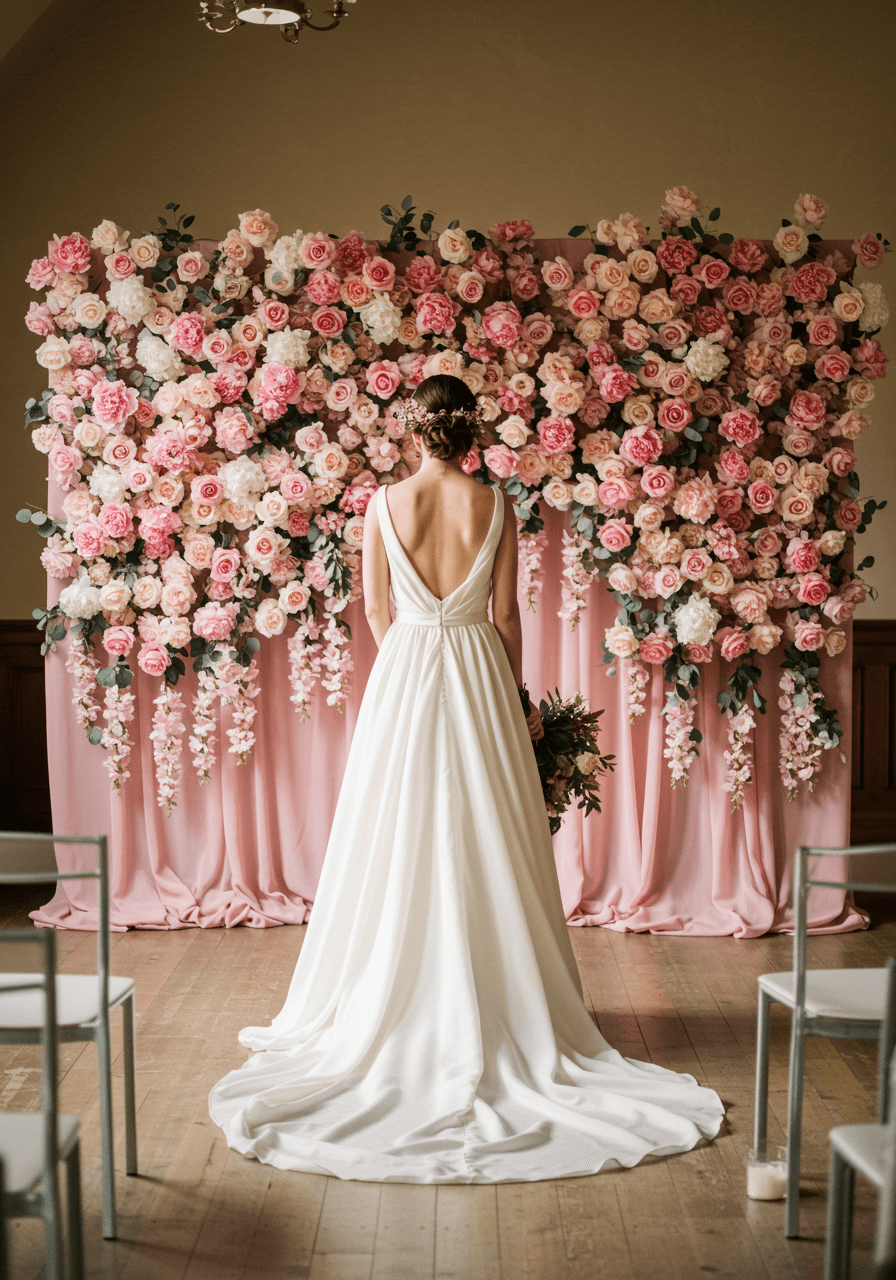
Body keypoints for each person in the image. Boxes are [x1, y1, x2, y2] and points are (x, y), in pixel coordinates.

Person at [208, 374, 724, 1182]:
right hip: (480, 667)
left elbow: (377, 612)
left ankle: (398, 991)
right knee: (489, 827)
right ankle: (504, 998)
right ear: (469, 434)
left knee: (401, 826)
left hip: (408, 666)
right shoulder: (497, 506)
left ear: (413, 431)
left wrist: (416, 659)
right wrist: (511, 697)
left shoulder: (381, 505)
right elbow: (509, 616)